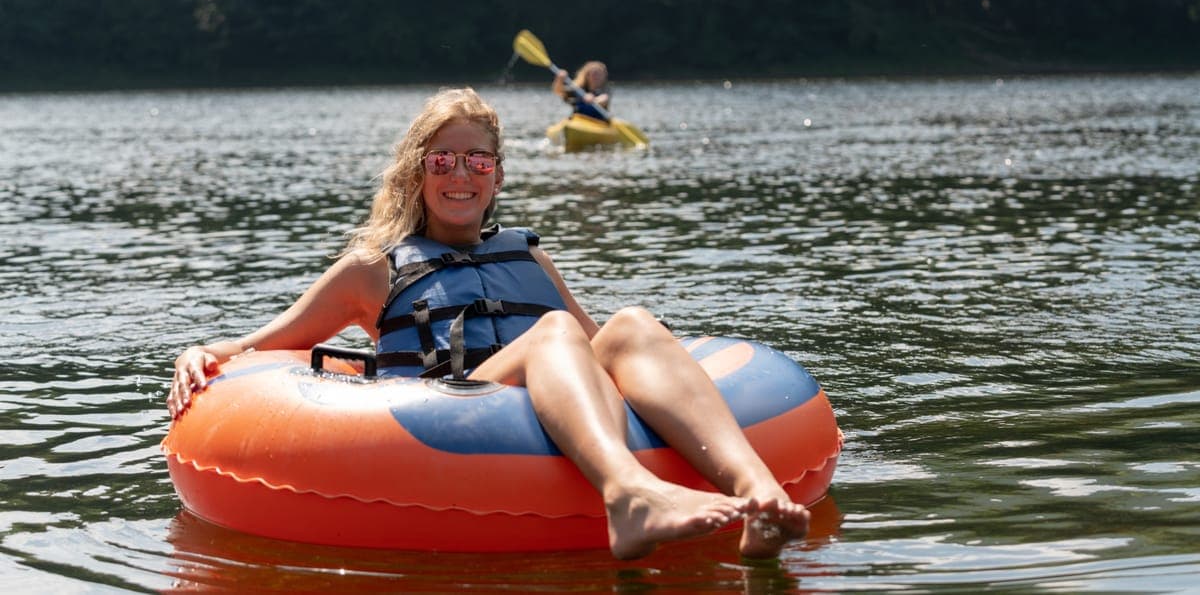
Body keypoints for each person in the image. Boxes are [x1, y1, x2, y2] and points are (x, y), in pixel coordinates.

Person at [167, 87, 809, 560]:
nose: (461, 175)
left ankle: (760, 497)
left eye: (478, 161)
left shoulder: (525, 253)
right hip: (455, 405)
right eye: (443, 161)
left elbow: (600, 348)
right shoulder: (372, 269)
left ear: (497, 175)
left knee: (633, 323)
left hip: (548, 393)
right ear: (417, 173)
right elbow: (265, 346)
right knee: (553, 333)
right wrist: (200, 351)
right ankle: (629, 494)